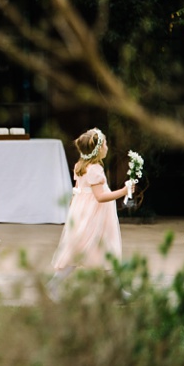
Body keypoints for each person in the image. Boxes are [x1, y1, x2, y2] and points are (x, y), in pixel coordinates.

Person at [47, 128, 133, 301]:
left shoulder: (81, 165)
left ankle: (118, 292)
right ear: (98, 149)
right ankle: (53, 285)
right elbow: (100, 197)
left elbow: (78, 191)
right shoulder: (94, 170)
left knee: (104, 249)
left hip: (86, 213)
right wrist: (124, 191)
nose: (107, 147)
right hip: (95, 216)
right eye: (105, 144)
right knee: (85, 250)